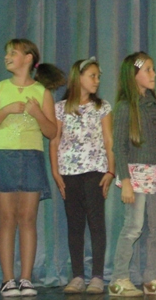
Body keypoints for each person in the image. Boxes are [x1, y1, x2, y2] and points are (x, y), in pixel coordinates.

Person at [0, 39, 64, 297]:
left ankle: (26, 279)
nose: (7, 57)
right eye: (7, 53)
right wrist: (6, 110)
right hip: (3, 156)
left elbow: (51, 132)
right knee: (7, 219)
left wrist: (38, 114)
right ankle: (8, 280)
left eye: (13, 53)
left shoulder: (42, 92)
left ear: (28, 58)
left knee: (28, 219)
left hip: (31, 157)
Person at [108, 52, 156, 297]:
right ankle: (119, 279)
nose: (154, 74)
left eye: (153, 69)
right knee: (133, 227)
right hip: (135, 173)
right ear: (134, 74)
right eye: (148, 69)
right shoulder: (125, 107)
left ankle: (151, 278)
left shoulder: (153, 103)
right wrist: (126, 181)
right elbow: (119, 146)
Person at [50, 58, 114, 295]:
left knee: (96, 224)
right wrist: (55, 171)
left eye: (98, 77)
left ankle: (97, 276)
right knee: (74, 224)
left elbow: (108, 139)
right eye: (92, 76)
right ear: (79, 78)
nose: (97, 80)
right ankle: (77, 275)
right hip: (69, 173)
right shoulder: (61, 108)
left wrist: (111, 171)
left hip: (95, 171)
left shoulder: (102, 107)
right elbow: (55, 140)